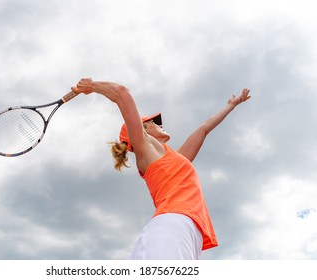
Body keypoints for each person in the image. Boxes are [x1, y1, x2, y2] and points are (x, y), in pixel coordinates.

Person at [71, 78, 251, 260]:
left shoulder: (174, 159)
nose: (160, 124)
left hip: (182, 229)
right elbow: (121, 92)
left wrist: (231, 106)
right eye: (153, 123)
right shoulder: (145, 150)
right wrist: (92, 86)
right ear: (143, 132)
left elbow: (204, 129)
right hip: (172, 227)